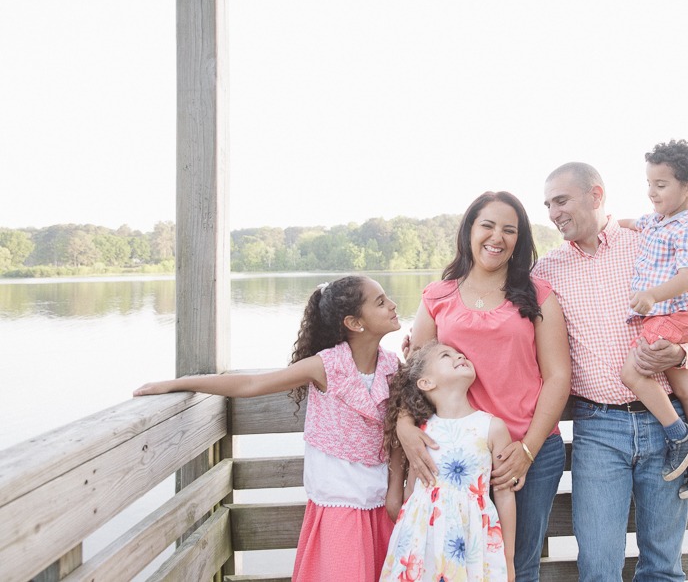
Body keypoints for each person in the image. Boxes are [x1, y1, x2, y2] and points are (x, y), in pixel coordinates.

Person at [133, 276, 402, 582]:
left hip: (380, 499)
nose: (392, 305)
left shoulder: (393, 367)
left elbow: (397, 431)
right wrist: (176, 383)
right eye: (381, 302)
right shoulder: (325, 366)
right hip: (339, 500)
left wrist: (396, 490)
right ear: (355, 322)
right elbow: (252, 384)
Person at [533, 162, 688, 582]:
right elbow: (503, 322)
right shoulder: (546, 271)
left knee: (663, 567)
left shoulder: (648, 240)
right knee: (598, 568)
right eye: (548, 204)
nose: (553, 213)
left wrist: (683, 349)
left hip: (667, 425)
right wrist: (432, 338)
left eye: (561, 200)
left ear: (596, 195)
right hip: (598, 428)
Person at [397, 191, 571, 582]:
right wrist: (404, 426)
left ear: (519, 240)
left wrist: (527, 450)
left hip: (526, 452)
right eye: (487, 225)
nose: (498, 237)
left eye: (509, 230)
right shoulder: (437, 296)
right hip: (455, 451)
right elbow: (414, 373)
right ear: (469, 231)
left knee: (516, 567)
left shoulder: (538, 294)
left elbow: (558, 376)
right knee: (452, 563)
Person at [618, 140, 688, 497]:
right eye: (649, 184)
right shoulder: (657, 220)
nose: (652, 192)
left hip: (675, 314)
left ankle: (680, 436)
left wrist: (651, 295)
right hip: (673, 317)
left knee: (632, 372)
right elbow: (632, 222)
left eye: (661, 185)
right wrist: (609, 226)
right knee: (686, 389)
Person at [381, 341, 516, 581]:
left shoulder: (492, 428)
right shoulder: (421, 431)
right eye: (446, 355)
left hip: (472, 539)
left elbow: (504, 495)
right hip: (422, 540)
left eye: (460, 353)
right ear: (426, 383)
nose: (459, 356)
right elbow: (413, 489)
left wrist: (508, 556)